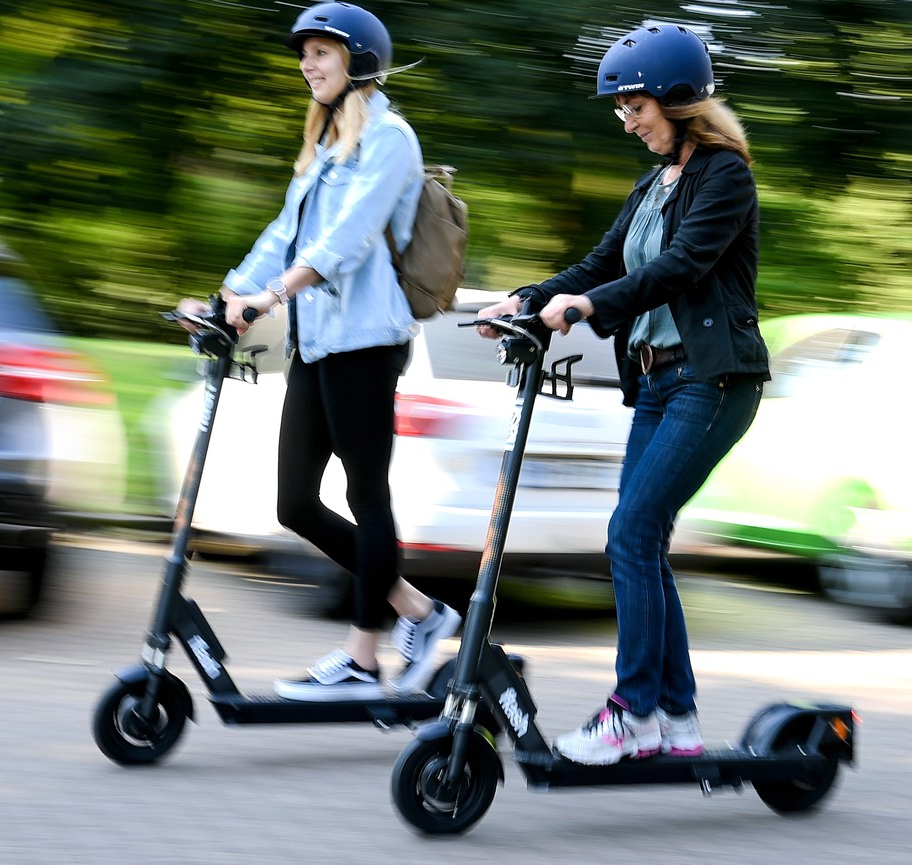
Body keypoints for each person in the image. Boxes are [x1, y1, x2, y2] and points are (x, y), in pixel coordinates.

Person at [475, 23, 769, 764]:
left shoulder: (724, 175)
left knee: (631, 534)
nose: (628, 120)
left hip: (713, 378)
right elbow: (603, 260)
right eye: (623, 108)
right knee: (643, 541)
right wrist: (527, 297)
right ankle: (675, 716)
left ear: (676, 97)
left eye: (635, 104)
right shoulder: (652, 183)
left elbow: (680, 266)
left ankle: (632, 710)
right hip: (657, 381)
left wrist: (586, 308)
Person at [177, 2, 459, 702]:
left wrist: (268, 299)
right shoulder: (327, 145)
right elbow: (285, 234)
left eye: (321, 52)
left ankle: (364, 659)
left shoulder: (390, 138)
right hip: (318, 341)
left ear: (358, 59)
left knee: (367, 493)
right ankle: (419, 611)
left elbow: (348, 242)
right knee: (295, 502)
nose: (307, 63)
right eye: (304, 53)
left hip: (368, 341)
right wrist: (224, 299)